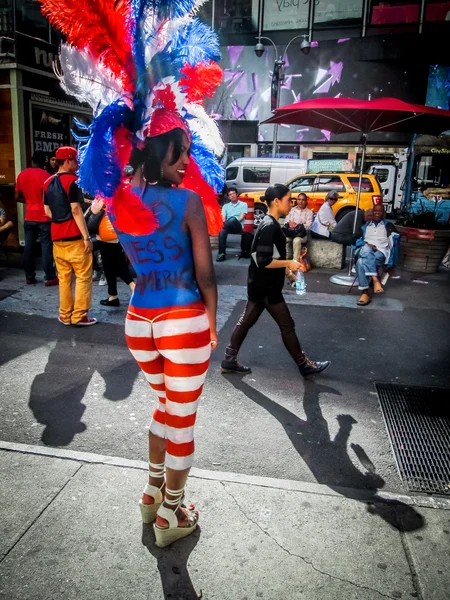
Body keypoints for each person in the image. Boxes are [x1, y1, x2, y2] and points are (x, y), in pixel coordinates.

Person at [117, 122, 218, 548]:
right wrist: (212, 325)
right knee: (182, 420)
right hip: (183, 320)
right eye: (179, 152)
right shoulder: (188, 201)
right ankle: (172, 512)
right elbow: (206, 275)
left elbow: (133, 265)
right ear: (158, 151)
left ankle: (152, 493)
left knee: (164, 407)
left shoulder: (117, 203)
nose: (185, 162)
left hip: (140, 321)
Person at [220, 184, 330, 378]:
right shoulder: (270, 226)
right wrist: (290, 263)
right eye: (289, 199)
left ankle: (229, 359)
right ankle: (304, 364)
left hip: (260, 286)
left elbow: (270, 257)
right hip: (266, 288)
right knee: (286, 325)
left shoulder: (269, 223)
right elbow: (262, 260)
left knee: (246, 322)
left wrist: (288, 273)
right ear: (276, 201)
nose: (292, 203)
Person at [43, 146, 96, 326]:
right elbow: (75, 209)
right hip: (74, 237)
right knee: (82, 276)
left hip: (57, 238)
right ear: (67, 161)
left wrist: (60, 217)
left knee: (64, 278)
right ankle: (80, 315)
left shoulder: (47, 182)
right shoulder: (73, 181)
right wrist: (86, 237)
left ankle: (65, 315)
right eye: (75, 160)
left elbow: (47, 212)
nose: (77, 163)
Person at [15, 151, 59, 286]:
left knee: (28, 247)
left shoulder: (22, 175)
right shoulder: (46, 176)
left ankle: (29, 276)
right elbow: (52, 197)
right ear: (44, 162)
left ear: (32, 160)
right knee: (46, 246)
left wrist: (29, 201)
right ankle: (50, 276)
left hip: (29, 216)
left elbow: (16, 197)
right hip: (44, 217)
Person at [89, 197, 135, 306]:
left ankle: (133, 287)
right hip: (118, 233)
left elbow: (94, 210)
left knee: (115, 265)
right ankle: (113, 295)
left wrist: (97, 200)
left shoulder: (103, 194)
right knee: (111, 266)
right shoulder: (122, 191)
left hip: (106, 236)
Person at [355, 204, 398, 306]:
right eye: (375, 210)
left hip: (380, 252)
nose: (377, 213)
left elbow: (395, 243)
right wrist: (367, 245)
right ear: (372, 212)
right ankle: (375, 280)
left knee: (361, 262)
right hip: (364, 250)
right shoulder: (365, 227)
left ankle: (365, 292)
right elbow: (356, 241)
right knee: (366, 248)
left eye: (380, 211)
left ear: (383, 213)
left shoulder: (388, 226)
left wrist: (392, 264)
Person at [216, 187, 248, 261]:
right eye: (230, 194)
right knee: (222, 232)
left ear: (237, 194)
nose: (232, 196)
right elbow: (223, 218)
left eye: (234, 193)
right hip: (228, 227)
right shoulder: (225, 206)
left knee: (232, 219)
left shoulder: (243, 204)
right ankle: (221, 254)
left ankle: (228, 224)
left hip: (238, 226)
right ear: (228, 197)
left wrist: (231, 221)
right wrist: (227, 223)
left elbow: (241, 217)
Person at [284, 193, 314, 261]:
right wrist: (290, 224)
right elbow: (286, 222)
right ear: (297, 200)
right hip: (291, 233)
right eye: (299, 199)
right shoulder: (292, 210)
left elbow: (308, 225)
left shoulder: (309, 212)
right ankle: (284, 259)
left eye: (303, 200)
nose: (301, 201)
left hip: (302, 235)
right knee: (283, 239)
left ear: (306, 201)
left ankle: (295, 262)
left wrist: (298, 226)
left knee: (296, 240)